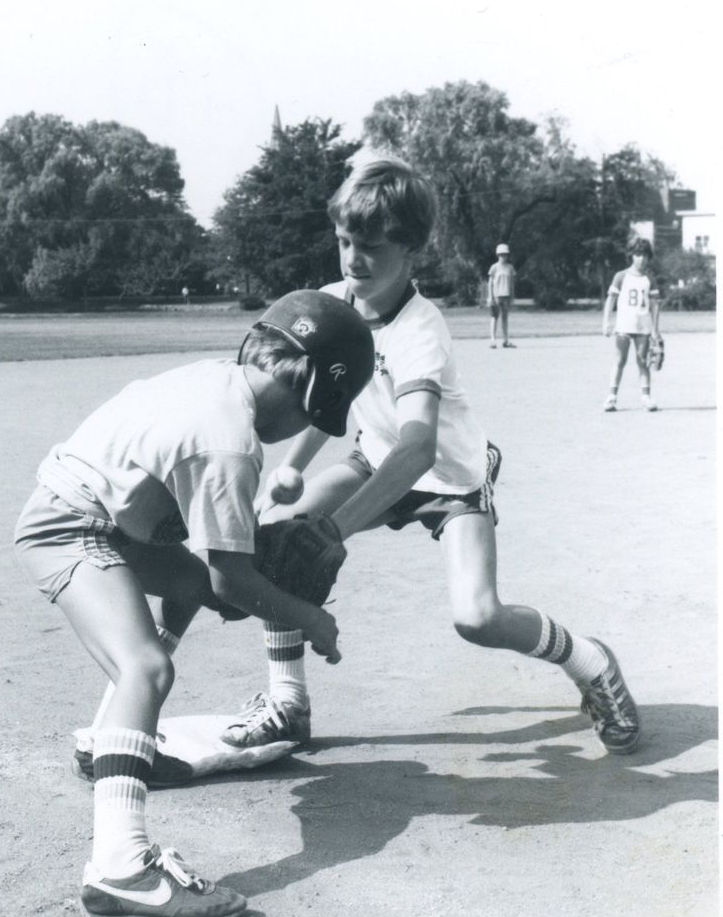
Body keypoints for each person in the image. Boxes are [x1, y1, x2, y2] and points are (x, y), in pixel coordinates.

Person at [221, 155, 641, 758]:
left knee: (478, 618)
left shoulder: (420, 329)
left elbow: (417, 448)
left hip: (449, 479)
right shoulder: (332, 305)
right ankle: (287, 703)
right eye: (343, 241)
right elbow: (325, 399)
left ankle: (591, 661)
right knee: (280, 541)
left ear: (412, 248)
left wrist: (336, 527)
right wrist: (291, 466)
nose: (351, 259)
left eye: (369, 246)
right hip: (374, 460)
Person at [13, 290, 374, 917]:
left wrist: (238, 580)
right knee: (146, 669)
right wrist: (309, 618)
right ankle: (120, 875)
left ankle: (112, 742)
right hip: (71, 528)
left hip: (102, 516)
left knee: (196, 598)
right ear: (314, 385)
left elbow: (208, 573)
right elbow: (231, 580)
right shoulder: (230, 444)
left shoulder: (216, 383)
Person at [602, 236, 661, 411]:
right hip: (623, 326)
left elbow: (655, 305)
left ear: (649, 257)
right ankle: (611, 398)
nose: (641, 259)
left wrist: (655, 330)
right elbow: (610, 300)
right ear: (631, 256)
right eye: (637, 254)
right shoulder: (621, 276)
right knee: (619, 360)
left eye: (644, 255)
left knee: (643, 361)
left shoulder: (649, 279)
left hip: (642, 328)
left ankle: (646, 398)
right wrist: (606, 322)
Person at [487, 243, 516, 348]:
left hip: (506, 295)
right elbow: (490, 283)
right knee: (494, 317)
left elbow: (512, 283)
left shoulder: (510, 267)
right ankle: (493, 340)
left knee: (505, 318)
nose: (504, 256)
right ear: (498, 255)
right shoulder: (494, 267)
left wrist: (512, 297)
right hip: (496, 296)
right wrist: (490, 297)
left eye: (505, 254)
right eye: (501, 254)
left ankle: (506, 340)